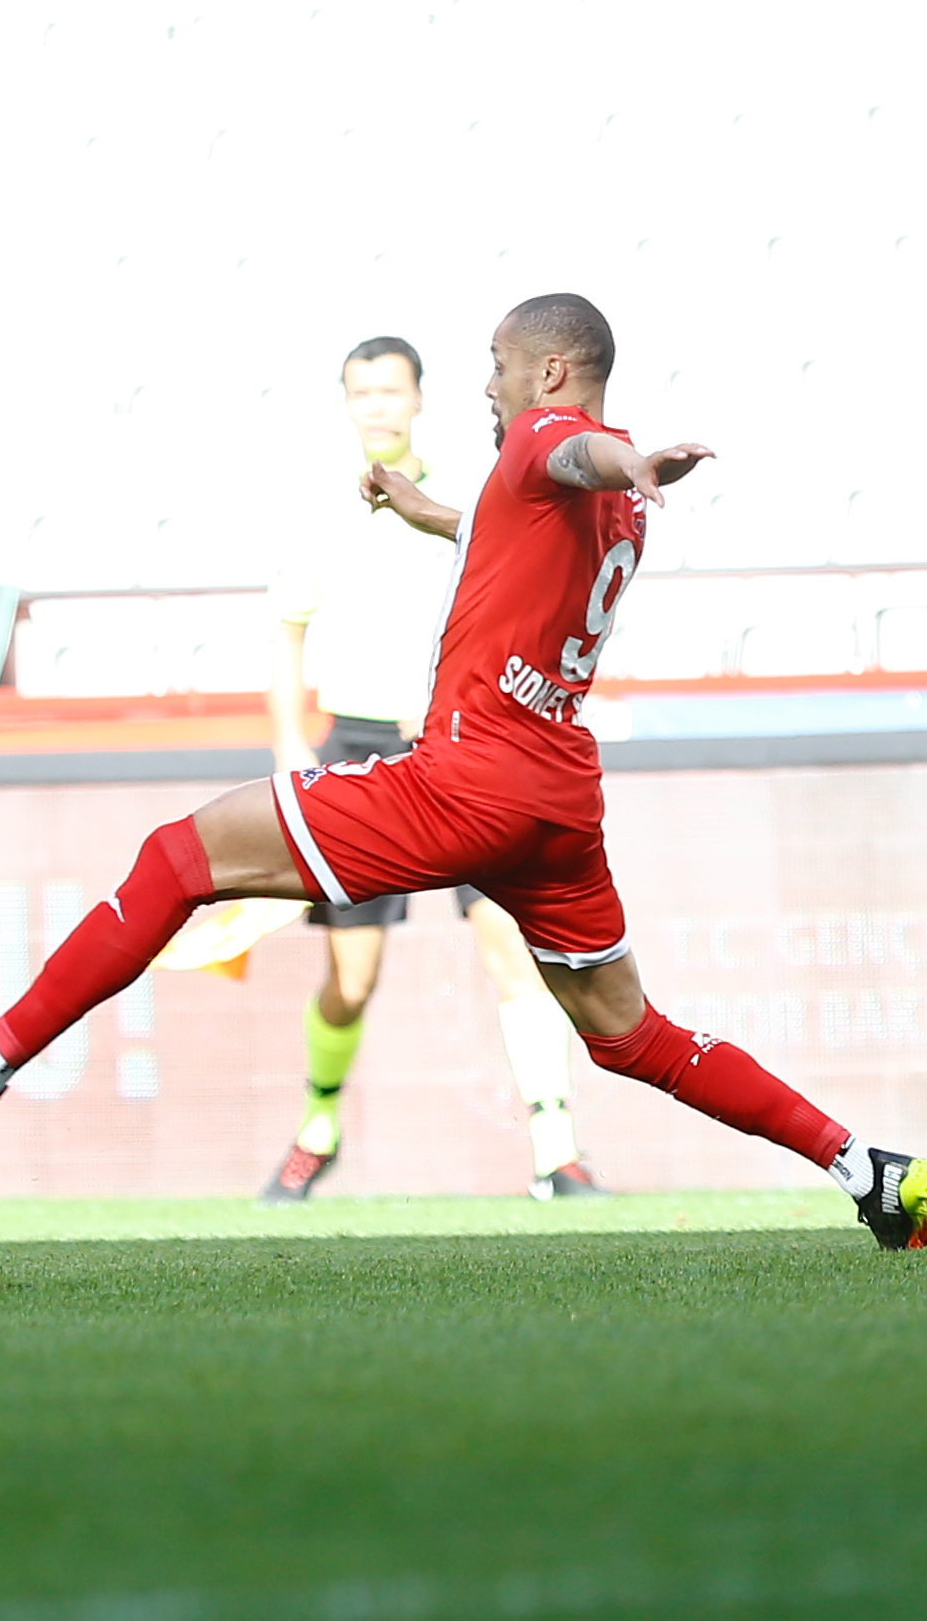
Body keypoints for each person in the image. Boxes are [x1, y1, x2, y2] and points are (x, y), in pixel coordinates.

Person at [0, 294, 927, 1249]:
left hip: (464, 781)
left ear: (548, 371)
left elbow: (574, 453)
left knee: (178, 858)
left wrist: (632, 459)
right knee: (627, 1034)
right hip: (557, 798)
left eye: (496, 365)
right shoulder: (600, 510)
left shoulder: (559, 445)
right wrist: (428, 511)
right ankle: (865, 1168)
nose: (486, 386)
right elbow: (515, 525)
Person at [261, 335, 603, 1203]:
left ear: (418, 399)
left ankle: (556, 1153)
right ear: (346, 404)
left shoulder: (466, 497)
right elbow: (285, 635)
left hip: (464, 742)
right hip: (356, 748)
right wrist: (290, 746)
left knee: (510, 946)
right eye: (361, 392)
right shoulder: (316, 511)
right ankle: (317, 1126)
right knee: (351, 978)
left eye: (391, 390)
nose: (377, 405)